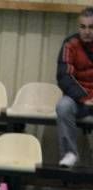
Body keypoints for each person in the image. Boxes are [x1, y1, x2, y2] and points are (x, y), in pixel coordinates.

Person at [56, 6, 93, 168]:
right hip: (79, 100)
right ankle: (70, 153)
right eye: (83, 27)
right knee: (63, 106)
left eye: (91, 27)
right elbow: (64, 76)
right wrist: (85, 98)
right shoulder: (70, 44)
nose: (87, 31)